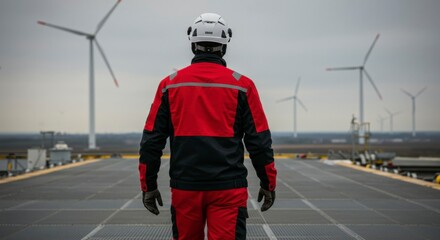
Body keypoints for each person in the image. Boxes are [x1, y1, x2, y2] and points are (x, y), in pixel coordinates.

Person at [139, 13, 277, 240]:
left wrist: (149, 186)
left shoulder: (170, 85)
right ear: (224, 46)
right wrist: (268, 183)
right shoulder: (243, 86)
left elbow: (151, 142)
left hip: (185, 188)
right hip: (228, 189)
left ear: (193, 44)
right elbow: (260, 142)